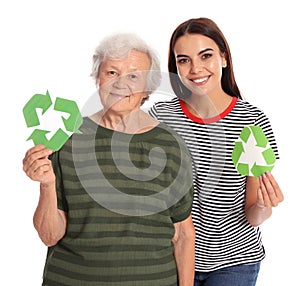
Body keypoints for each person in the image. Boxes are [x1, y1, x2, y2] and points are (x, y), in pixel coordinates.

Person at [22, 33, 195, 286]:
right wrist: (46, 183)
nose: (120, 84)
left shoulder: (171, 146)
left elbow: (182, 235)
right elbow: (50, 236)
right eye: (112, 72)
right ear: (97, 79)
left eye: (133, 76)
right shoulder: (66, 139)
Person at [148, 17, 284, 286]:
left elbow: (254, 216)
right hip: (171, 257)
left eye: (205, 56)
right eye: (183, 60)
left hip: (234, 264)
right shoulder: (161, 117)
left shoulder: (252, 121)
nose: (195, 68)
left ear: (223, 58)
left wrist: (263, 206)